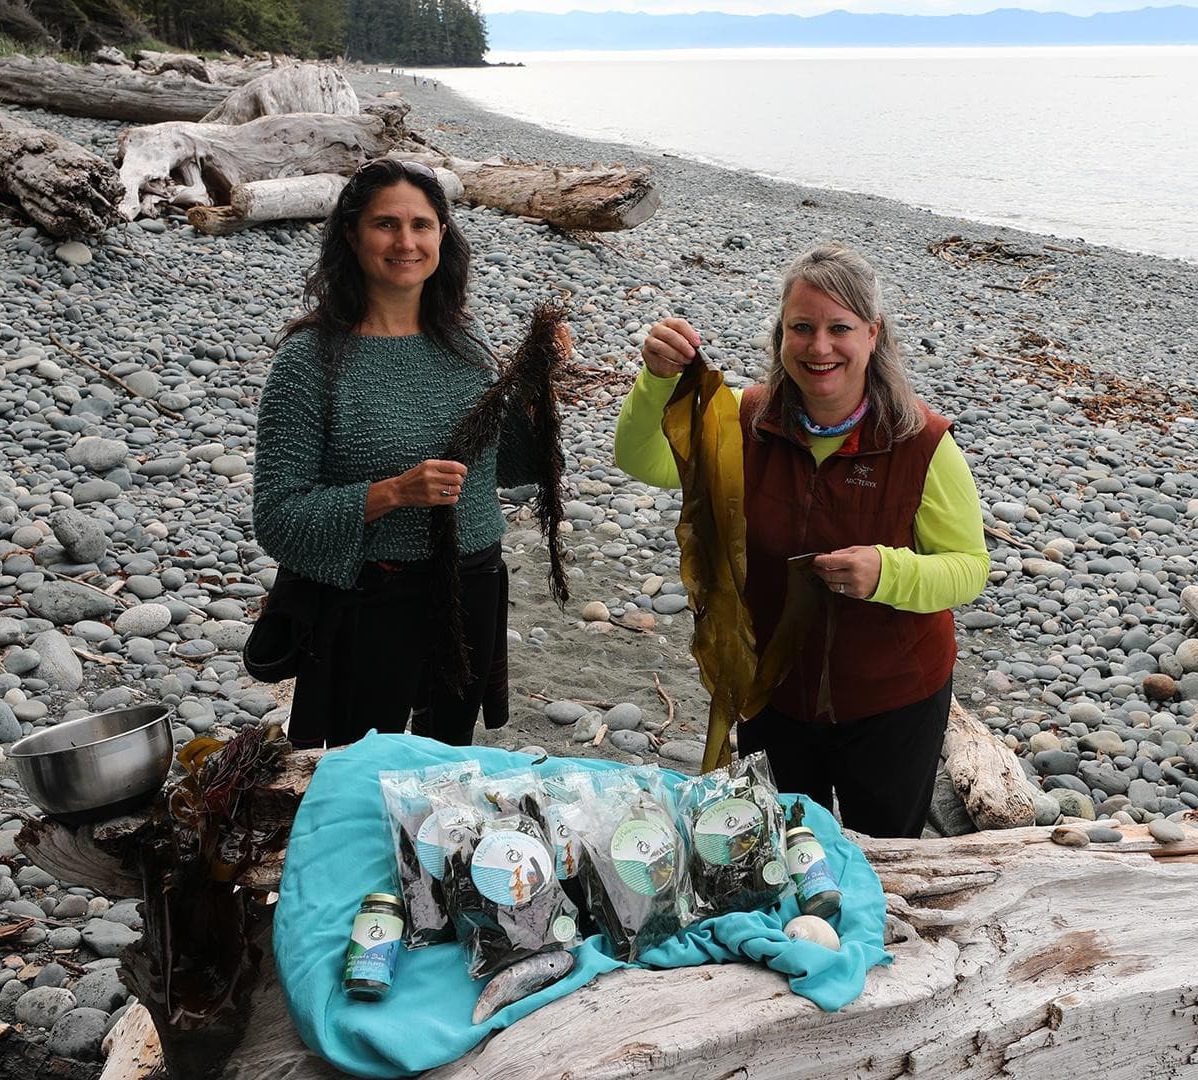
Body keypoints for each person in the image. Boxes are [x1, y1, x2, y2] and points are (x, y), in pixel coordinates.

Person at [613, 243, 988, 837]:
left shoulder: (921, 442)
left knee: (884, 853)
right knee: (782, 844)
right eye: (802, 328)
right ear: (780, 335)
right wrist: (656, 381)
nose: (819, 347)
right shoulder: (743, 419)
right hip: (773, 691)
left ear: (873, 334)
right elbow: (642, 458)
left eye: (840, 328)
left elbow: (968, 569)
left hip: (892, 700)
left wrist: (889, 573)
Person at [253, 159, 548, 750]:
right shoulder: (310, 361)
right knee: (356, 770)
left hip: (472, 588)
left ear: (443, 235)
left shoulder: (465, 346)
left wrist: (539, 391)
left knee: (447, 768)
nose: (406, 242)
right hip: (369, 604)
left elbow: (511, 468)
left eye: (422, 224)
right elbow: (278, 518)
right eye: (386, 224)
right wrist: (394, 493)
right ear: (350, 235)